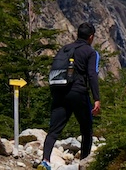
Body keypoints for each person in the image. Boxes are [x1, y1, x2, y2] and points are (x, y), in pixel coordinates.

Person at [38, 22, 101, 170]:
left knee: (54, 130)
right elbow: (92, 75)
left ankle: (45, 161)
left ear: (77, 34)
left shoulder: (65, 49)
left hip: (59, 91)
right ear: (91, 37)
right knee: (86, 129)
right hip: (78, 92)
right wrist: (96, 98)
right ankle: (84, 163)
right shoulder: (90, 52)